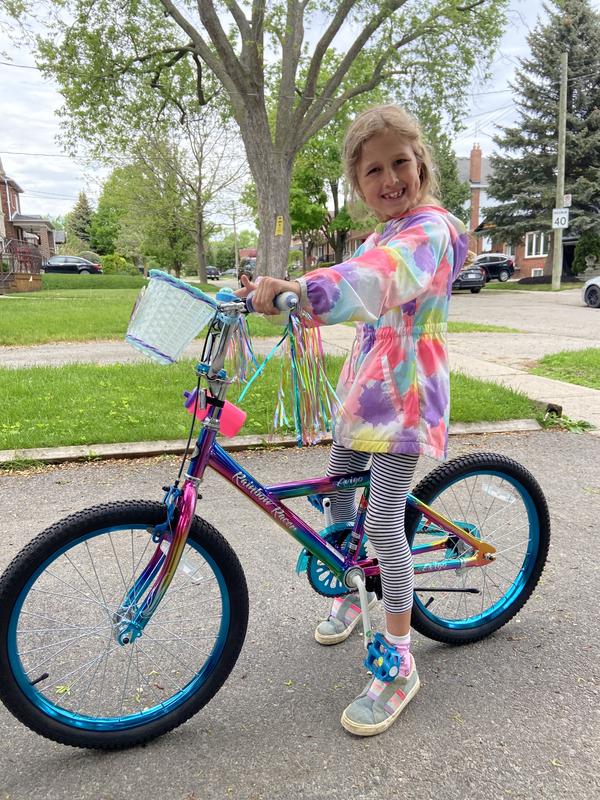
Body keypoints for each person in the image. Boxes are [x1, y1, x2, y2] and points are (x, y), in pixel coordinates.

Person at [236, 104, 468, 736]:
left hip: (409, 390)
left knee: (384, 515)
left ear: (420, 164)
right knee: (338, 493)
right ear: (358, 184)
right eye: (373, 170)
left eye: (400, 162)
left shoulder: (430, 231)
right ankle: (347, 589)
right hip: (366, 389)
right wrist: (252, 294)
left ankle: (399, 663)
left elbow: (376, 281)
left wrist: (304, 288)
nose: (390, 178)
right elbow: (363, 268)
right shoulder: (374, 235)